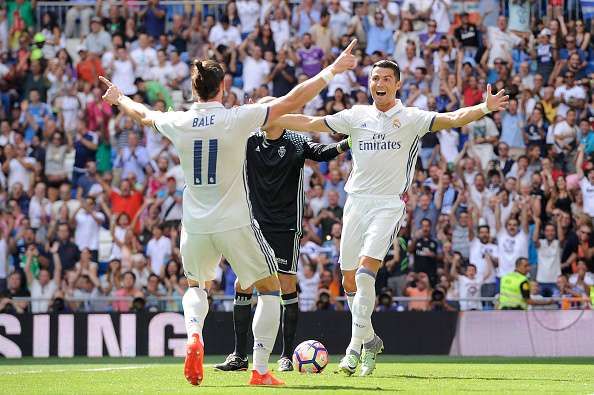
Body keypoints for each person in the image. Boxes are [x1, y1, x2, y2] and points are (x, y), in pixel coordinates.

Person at [99, 40, 357, 386]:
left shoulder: (179, 121)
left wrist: (119, 98)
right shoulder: (238, 118)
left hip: (194, 223)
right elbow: (292, 101)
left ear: (194, 88)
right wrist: (333, 69)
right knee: (268, 288)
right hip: (234, 221)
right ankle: (261, 370)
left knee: (196, 285)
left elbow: (143, 115)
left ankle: (194, 336)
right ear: (223, 87)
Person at [270, 58, 509, 376]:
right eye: (373, 78)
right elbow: (312, 123)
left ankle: (354, 350)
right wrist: (271, 116)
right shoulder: (357, 115)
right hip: (355, 203)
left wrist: (484, 108)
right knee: (349, 280)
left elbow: (452, 118)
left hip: (388, 204)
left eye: (385, 78)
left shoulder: (411, 118)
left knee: (367, 273)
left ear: (397, 84)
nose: (378, 83)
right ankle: (370, 341)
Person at [215, 97, 350, 372]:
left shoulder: (296, 142)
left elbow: (323, 153)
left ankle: (287, 355)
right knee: (243, 284)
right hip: (253, 224)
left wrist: (349, 142)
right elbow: (223, 136)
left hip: (286, 226)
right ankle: (239, 356)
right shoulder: (249, 141)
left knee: (286, 285)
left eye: (263, 111)